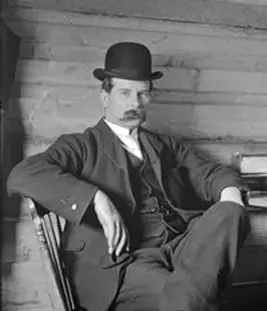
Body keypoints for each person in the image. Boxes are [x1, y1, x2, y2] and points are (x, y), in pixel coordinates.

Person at [7, 41, 250, 311]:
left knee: (231, 211)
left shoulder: (165, 146)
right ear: (104, 96)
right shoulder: (81, 146)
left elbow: (213, 173)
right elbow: (23, 173)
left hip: (180, 249)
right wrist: (97, 199)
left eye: (143, 94)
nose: (135, 103)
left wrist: (230, 193)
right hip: (123, 263)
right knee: (191, 295)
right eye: (125, 93)